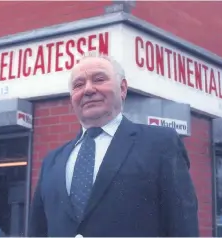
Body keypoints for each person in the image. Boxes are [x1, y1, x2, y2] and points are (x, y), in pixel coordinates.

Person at [29, 51, 199, 237]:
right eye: (78, 85)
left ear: (123, 88)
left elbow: (183, 225)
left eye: (99, 79)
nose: (88, 89)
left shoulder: (161, 144)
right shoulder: (51, 162)